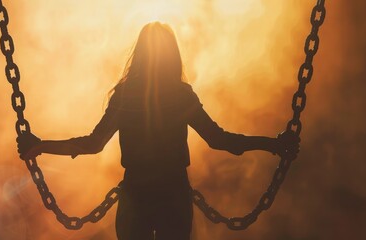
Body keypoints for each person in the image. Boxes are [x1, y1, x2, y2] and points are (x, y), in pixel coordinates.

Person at [17, 22, 300, 240]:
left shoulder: (125, 97)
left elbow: (93, 144)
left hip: (135, 195)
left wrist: (41, 146)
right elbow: (220, 140)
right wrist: (273, 144)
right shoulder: (180, 96)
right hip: (173, 195)